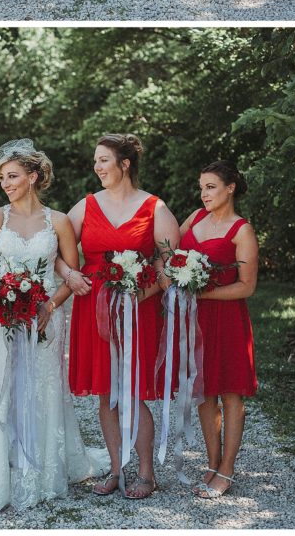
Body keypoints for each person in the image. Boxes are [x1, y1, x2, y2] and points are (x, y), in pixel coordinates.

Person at [0, 139, 108, 510]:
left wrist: (49, 306)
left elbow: (71, 274)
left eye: (13, 176)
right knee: (6, 382)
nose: (6, 183)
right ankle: (0, 468)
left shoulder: (59, 222)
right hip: (4, 318)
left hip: (47, 317)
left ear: (33, 176)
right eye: (2, 178)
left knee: (44, 386)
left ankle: (43, 468)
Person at [66, 134, 179, 499]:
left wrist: (136, 296)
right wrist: (69, 275)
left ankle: (146, 472)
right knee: (106, 395)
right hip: (94, 311)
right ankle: (117, 468)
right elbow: (52, 243)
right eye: (95, 161)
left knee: (132, 392)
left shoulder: (155, 209)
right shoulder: (85, 206)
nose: (97, 167)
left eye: (103, 160)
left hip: (137, 310)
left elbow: (170, 268)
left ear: (124, 164)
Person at [176, 160, 258, 499]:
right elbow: (173, 256)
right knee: (204, 393)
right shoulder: (194, 220)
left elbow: (246, 287)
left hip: (228, 321)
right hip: (195, 320)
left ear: (230, 188)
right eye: (201, 187)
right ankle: (211, 463)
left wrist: (204, 291)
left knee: (231, 395)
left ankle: (227, 469)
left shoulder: (242, 231)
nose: (204, 193)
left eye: (210, 187)